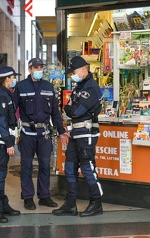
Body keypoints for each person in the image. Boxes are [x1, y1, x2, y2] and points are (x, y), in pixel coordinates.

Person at [13, 58, 68, 210]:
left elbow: (55, 113)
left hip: (44, 133)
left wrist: (61, 131)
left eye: (40, 67)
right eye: (36, 67)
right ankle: (28, 197)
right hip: (27, 133)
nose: (39, 70)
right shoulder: (21, 87)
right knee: (26, 166)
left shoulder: (48, 87)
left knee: (45, 165)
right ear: (30, 69)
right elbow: (12, 110)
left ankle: (44, 196)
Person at [52, 56, 103, 217]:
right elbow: (67, 107)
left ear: (82, 69)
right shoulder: (80, 86)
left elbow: (74, 111)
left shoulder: (91, 88)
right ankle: (70, 204)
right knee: (70, 167)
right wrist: (69, 109)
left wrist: (69, 109)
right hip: (75, 132)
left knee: (88, 168)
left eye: (73, 72)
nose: (72, 75)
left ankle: (96, 203)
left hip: (86, 133)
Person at [0, 66, 21, 223]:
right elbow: (1, 121)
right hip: (0, 140)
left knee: (1, 174)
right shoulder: (2, 95)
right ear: (7, 78)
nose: (14, 79)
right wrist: (9, 143)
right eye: (13, 77)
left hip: (4, 139)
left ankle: (2, 205)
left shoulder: (5, 94)